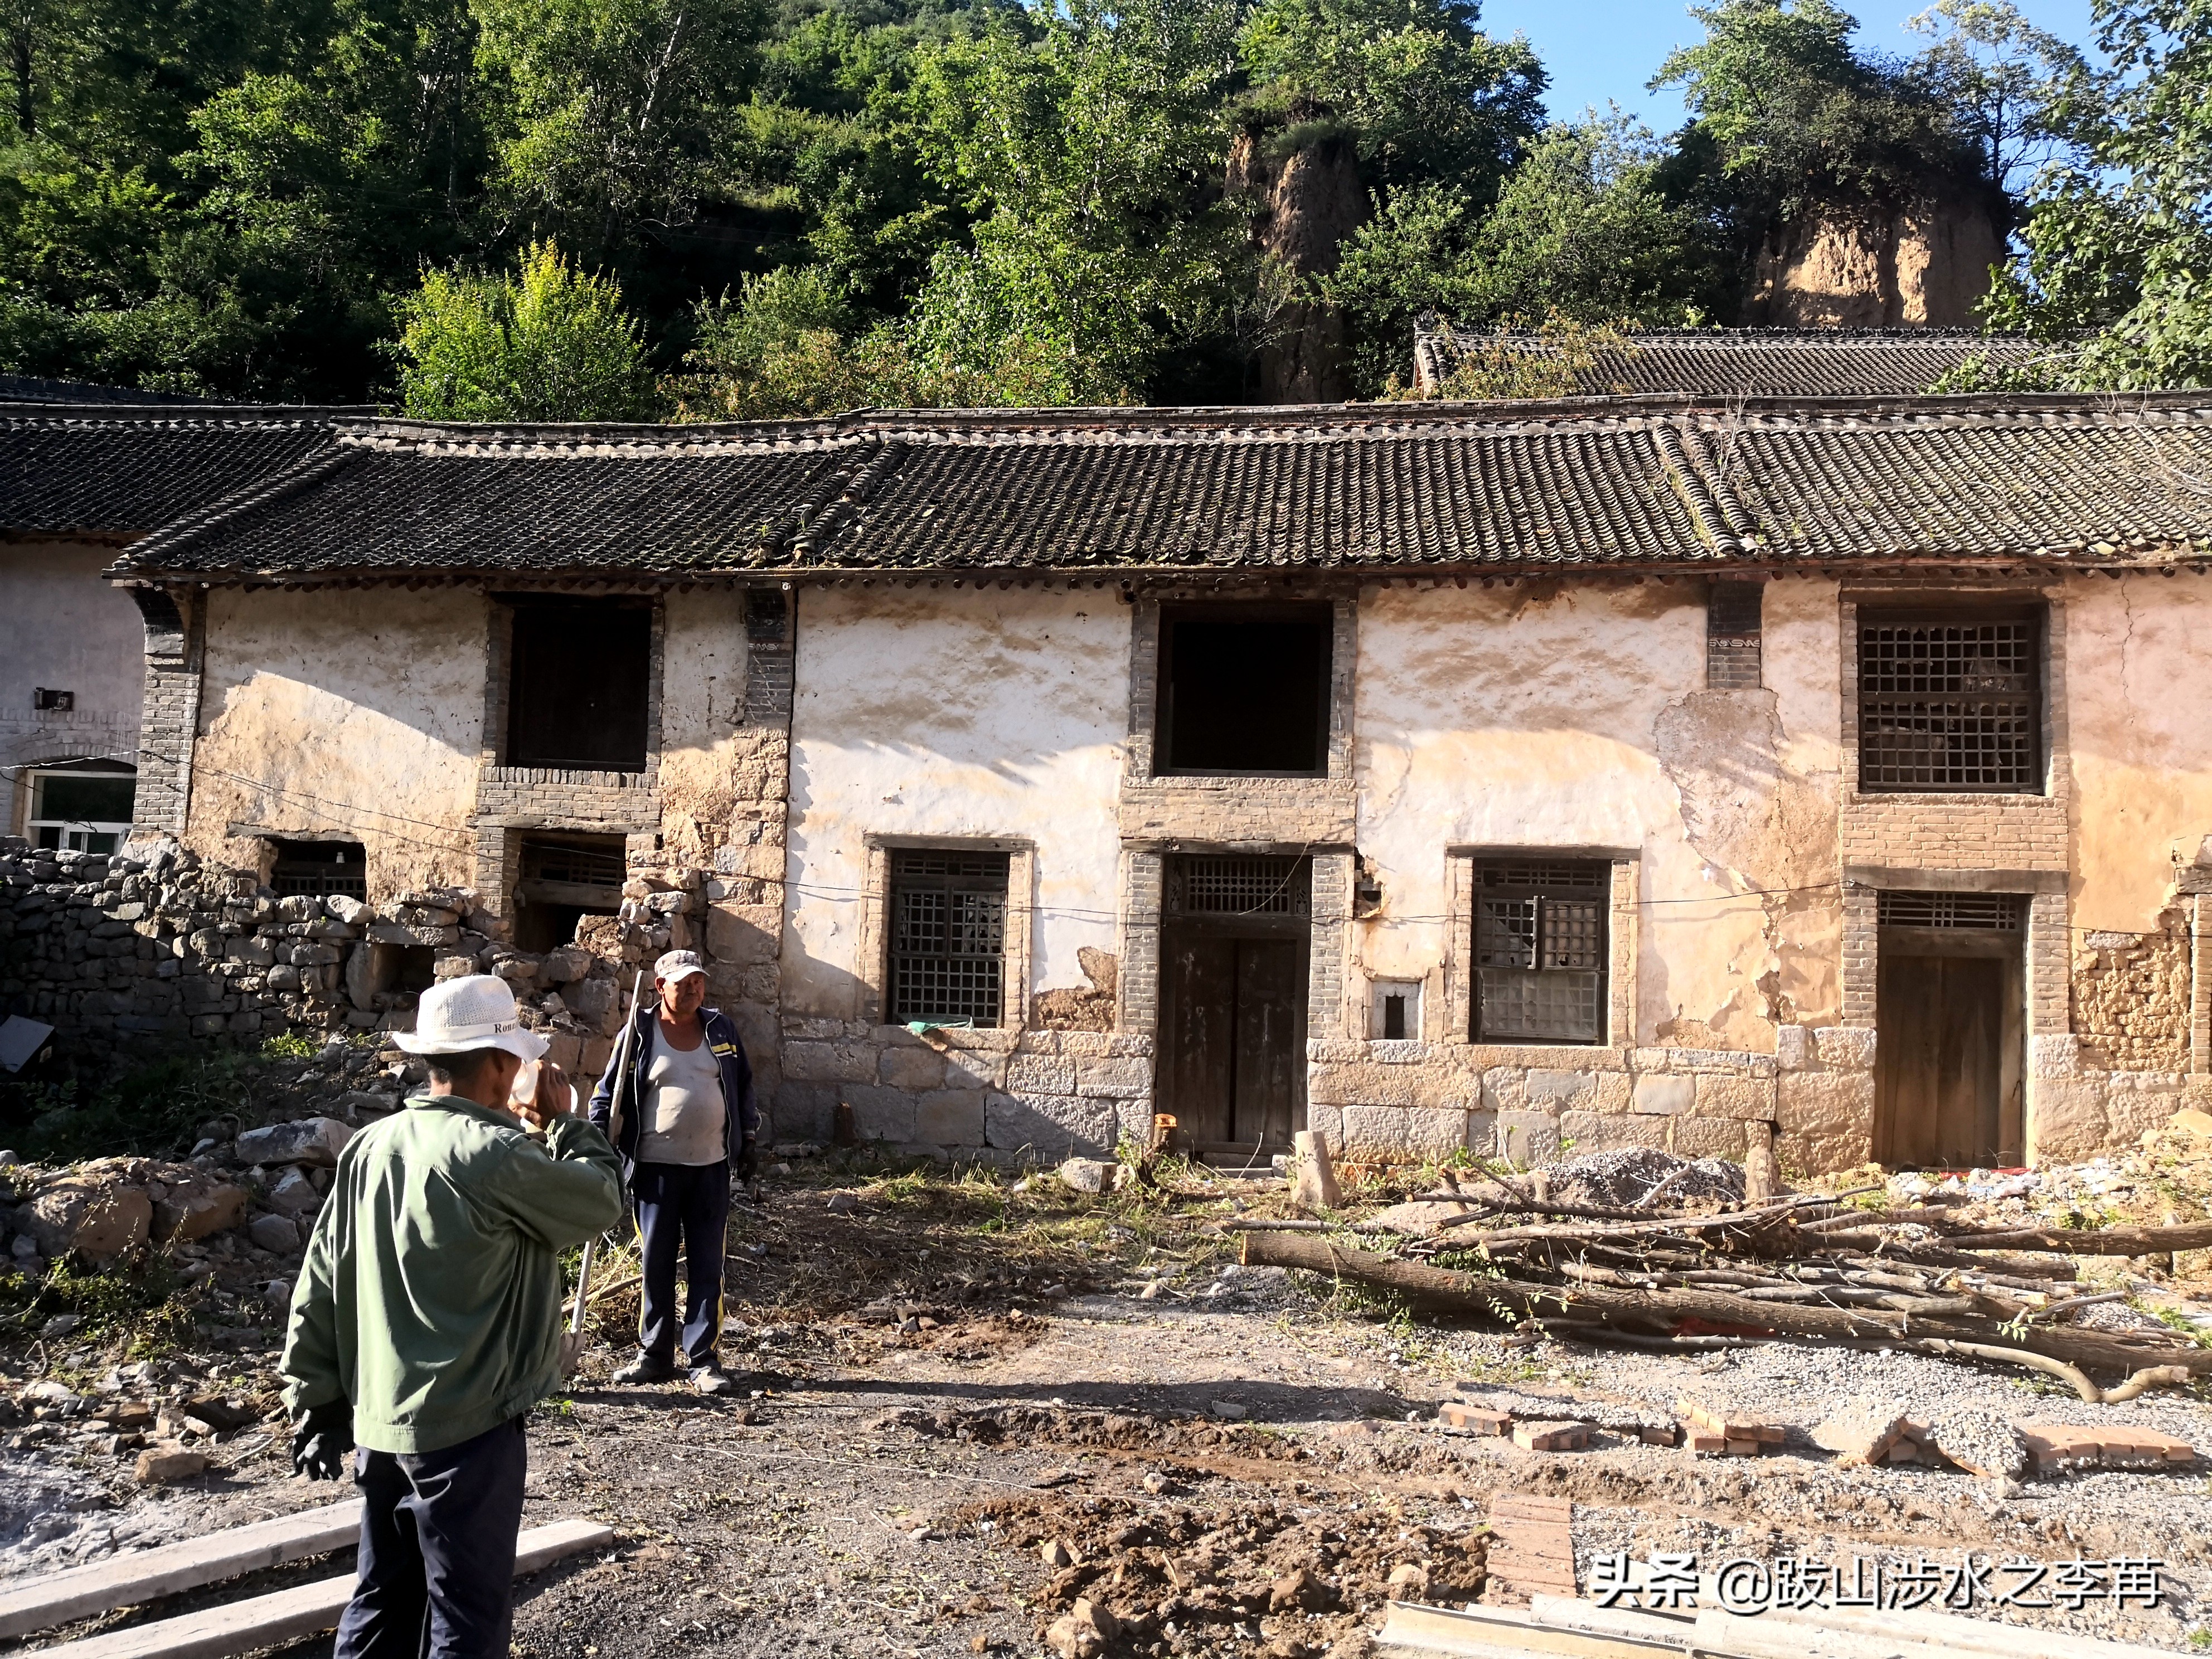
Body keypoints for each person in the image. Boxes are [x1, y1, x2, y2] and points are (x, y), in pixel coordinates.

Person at [280, 973, 624, 1659]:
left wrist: (314, 1402)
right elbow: (597, 1204)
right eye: (517, 1059)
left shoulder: (370, 1147)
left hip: (381, 1420)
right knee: (465, 1616)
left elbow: (321, 1282)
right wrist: (567, 1126)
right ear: (499, 1063)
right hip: (469, 1427)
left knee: (382, 1597)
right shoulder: (493, 1155)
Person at [590, 948, 757, 1394]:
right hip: (656, 1171)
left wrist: (751, 1138)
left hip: (710, 1169)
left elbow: (742, 1085)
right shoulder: (639, 1033)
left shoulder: (721, 1028)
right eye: (683, 983)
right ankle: (655, 1355)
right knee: (656, 1263)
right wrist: (596, 1138)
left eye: (698, 982)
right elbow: (607, 1094)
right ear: (661, 987)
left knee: (708, 1264)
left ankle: (702, 1359)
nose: (693, 990)